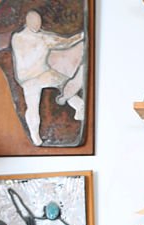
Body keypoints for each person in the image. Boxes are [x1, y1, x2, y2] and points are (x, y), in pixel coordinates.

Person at [10, 9, 86, 146]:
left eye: (39, 22)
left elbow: (65, 42)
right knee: (33, 106)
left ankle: (79, 106)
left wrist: (80, 36)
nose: (37, 25)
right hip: (30, 78)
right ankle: (35, 135)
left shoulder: (36, 37)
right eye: (35, 21)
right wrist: (80, 36)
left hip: (39, 75)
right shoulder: (26, 37)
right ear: (28, 22)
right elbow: (64, 42)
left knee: (63, 84)